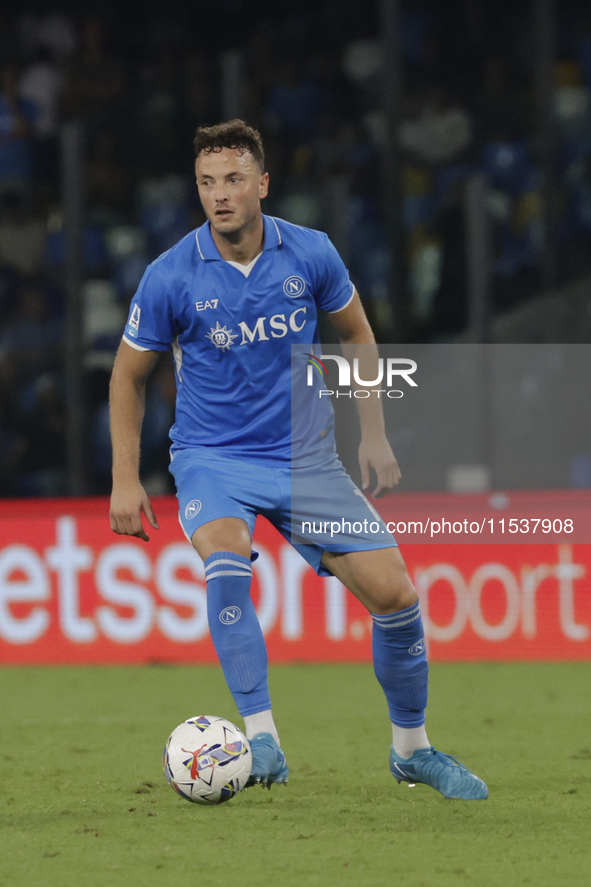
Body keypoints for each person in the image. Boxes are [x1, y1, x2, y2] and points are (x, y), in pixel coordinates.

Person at [109, 119, 488, 800]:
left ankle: (412, 750)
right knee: (225, 564)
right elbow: (126, 375)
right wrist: (124, 476)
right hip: (213, 457)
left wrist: (372, 434)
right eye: (205, 182)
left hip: (305, 461)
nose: (218, 195)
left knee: (397, 597)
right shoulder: (170, 275)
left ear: (261, 183)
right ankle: (262, 739)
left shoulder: (309, 253)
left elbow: (357, 335)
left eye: (231, 180)